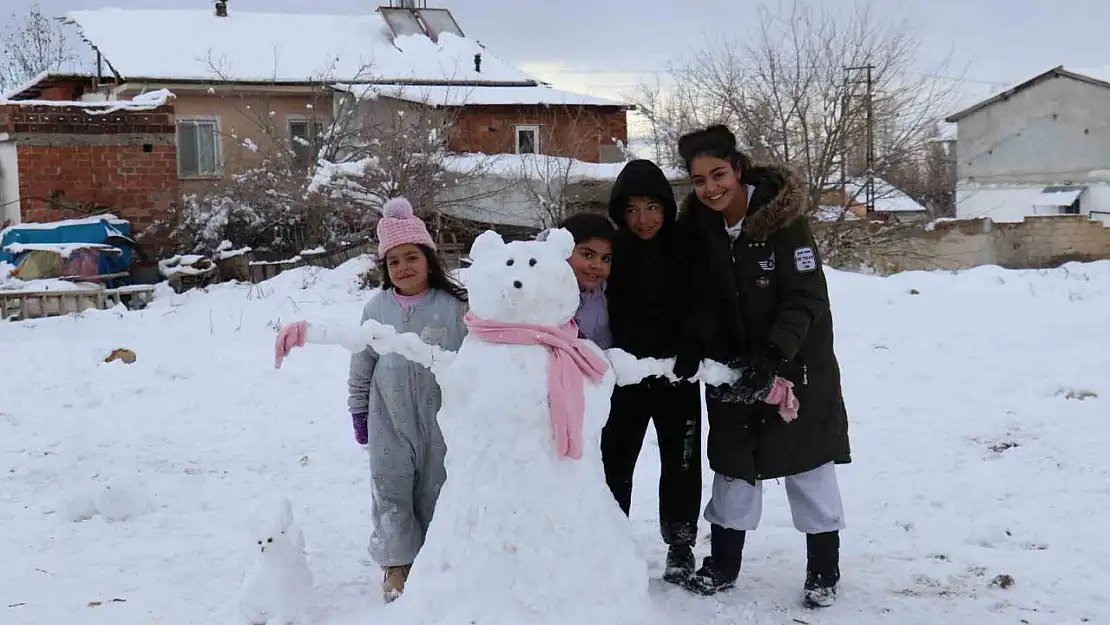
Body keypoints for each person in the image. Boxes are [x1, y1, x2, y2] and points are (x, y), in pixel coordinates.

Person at [674, 125, 851, 608]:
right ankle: (723, 564)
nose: (710, 188)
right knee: (733, 464)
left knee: (807, 465)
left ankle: (823, 571)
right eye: (698, 179)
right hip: (731, 367)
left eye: (719, 175)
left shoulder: (783, 222)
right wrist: (697, 344)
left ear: (738, 169)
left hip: (797, 367)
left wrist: (772, 356)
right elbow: (701, 298)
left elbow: (805, 298)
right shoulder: (701, 229)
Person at [348, 197, 468, 603]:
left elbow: (476, 361)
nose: (403, 267)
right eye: (393, 261)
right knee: (391, 489)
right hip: (389, 418)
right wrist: (358, 409)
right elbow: (361, 363)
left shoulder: (456, 307)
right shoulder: (376, 307)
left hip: (442, 419)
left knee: (438, 487)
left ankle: (436, 559)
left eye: (411, 256)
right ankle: (397, 563)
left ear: (428, 258)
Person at [602, 159, 713, 585]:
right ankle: (609, 541)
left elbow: (707, 301)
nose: (642, 219)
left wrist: (692, 345)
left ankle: (681, 543)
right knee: (615, 461)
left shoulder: (688, 245)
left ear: (666, 205)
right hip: (625, 378)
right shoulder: (613, 250)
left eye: (651, 206)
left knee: (681, 461)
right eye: (631, 209)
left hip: (676, 376)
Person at [537, 212, 617, 347]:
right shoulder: (537, 290)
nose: (597, 265)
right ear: (563, 250)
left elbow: (602, 346)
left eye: (606, 259)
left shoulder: (599, 297)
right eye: (588, 254)